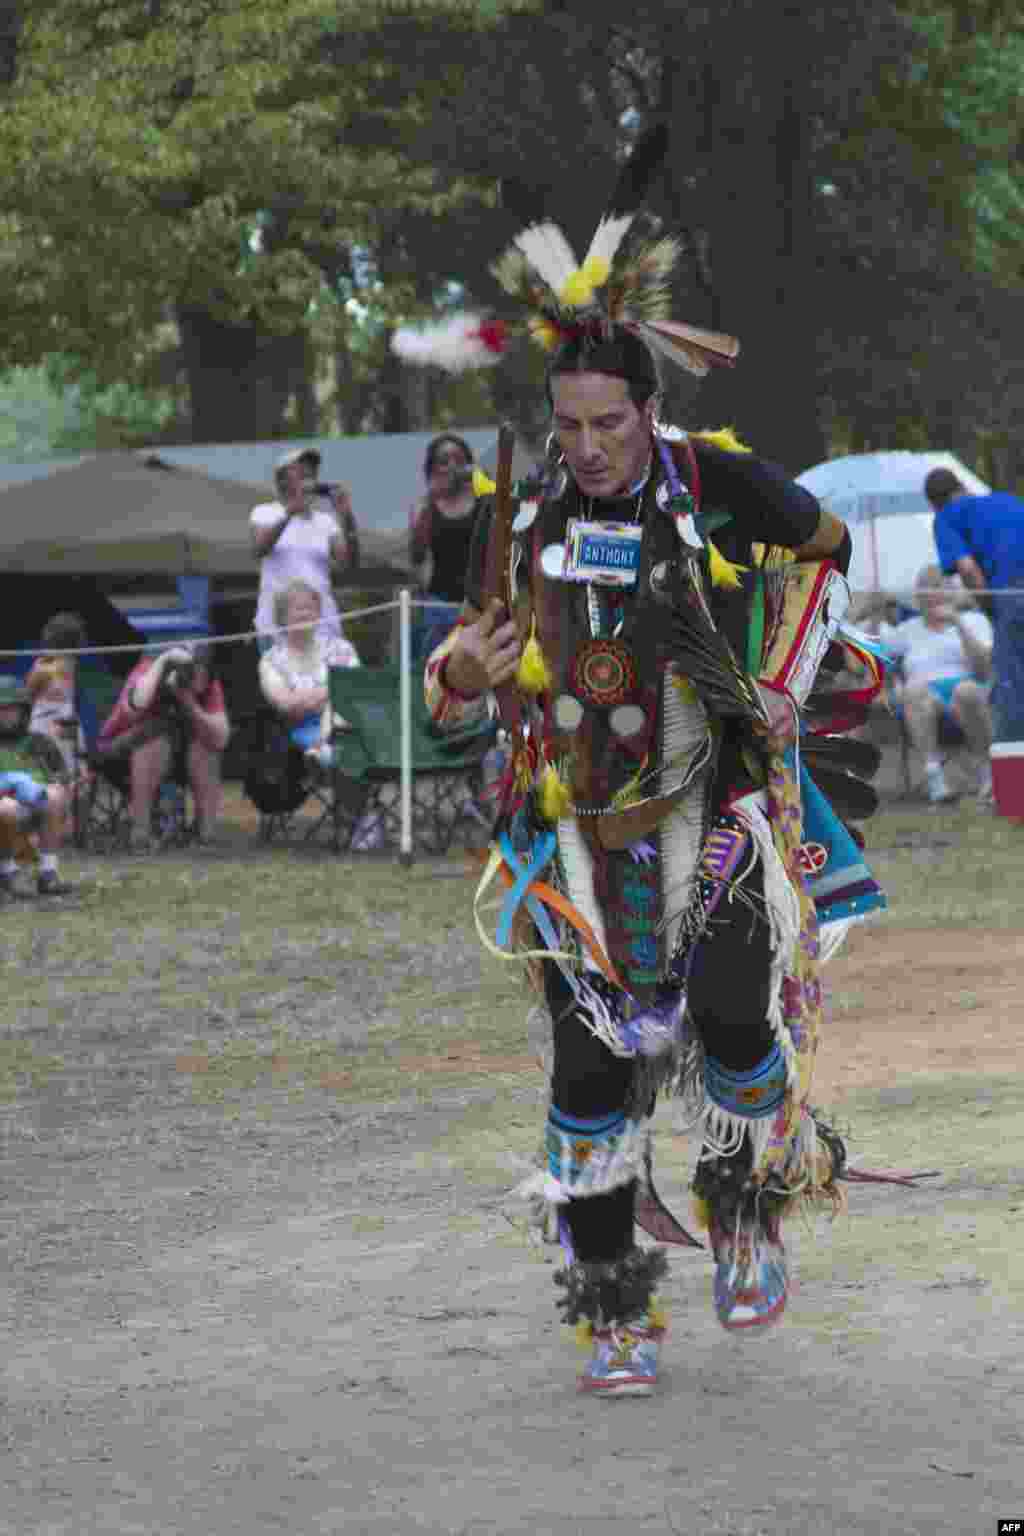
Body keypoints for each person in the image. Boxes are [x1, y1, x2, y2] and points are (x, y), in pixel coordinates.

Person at [400, 127, 884, 1398]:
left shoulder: (718, 484)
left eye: (608, 422)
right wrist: (468, 673)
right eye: (569, 424)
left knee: (733, 1016)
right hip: (571, 840)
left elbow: (832, 553)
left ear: (648, 408)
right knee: (588, 1069)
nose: (590, 446)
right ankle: (610, 1307)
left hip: (710, 816)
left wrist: (778, 677)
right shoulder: (524, 514)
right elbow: (457, 661)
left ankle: (743, 1217)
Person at [862, 565, 993, 803]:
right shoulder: (907, 630)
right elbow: (868, 653)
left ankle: (986, 773)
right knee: (913, 690)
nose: (932, 595)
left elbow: (983, 670)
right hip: (923, 699)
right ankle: (935, 778)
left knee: (967, 690)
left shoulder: (974, 621)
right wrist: (875, 614)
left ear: (951, 592)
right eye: (926, 589)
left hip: (965, 693)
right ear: (918, 598)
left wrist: (958, 623)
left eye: (938, 586)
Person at [97, 642, 230, 851]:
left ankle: (205, 835)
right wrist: (162, 661)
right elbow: (136, 706)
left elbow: (222, 737)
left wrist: (189, 703)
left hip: (176, 756)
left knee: (208, 744)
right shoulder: (148, 671)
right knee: (154, 736)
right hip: (120, 749)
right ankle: (141, 833)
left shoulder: (209, 683)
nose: (198, 682)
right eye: (194, 674)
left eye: (204, 676)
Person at [926, 467, 1024, 745]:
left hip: (1012, 596)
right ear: (962, 487)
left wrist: (991, 608)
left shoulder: (945, 518)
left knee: (1012, 692)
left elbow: (968, 570)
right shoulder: (1008, 500)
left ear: (934, 504)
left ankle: (1014, 781)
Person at [250, 447, 360, 652]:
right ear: (282, 479)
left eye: (312, 469)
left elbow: (350, 565)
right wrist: (291, 511)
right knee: (281, 685)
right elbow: (259, 549)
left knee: (324, 685)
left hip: (322, 628)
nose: (308, 472)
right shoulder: (264, 512)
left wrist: (347, 517)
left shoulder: (325, 521)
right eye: (300, 468)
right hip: (277, 628)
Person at [258, 578, 360, 765]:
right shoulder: (271, 659)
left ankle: (323, 745)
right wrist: (333, 690)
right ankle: (323, 746)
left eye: (310, 608)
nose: (305, 613)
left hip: (350, 724)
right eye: (298, 609)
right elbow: (286, 704)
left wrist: (312, 697)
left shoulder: (341, 648)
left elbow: (356, 687)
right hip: (303, 728)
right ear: (282, 616)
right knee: (342, 756)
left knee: (349, 735)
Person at [409, 434, 487, 660]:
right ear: (432, 469)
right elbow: (417, 556)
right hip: (440, 605)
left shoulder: (484, 501)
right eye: (444, 460)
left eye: (458, 459)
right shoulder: (426, 506)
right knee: (436, 670)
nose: (452, 465)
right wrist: (430, 502)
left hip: (479, 604)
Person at [0, 674, 74, 897]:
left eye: (11, 709)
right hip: (5, 805)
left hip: (35, 803)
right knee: (6, 808)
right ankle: (7, 873)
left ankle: (48, 873)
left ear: (24, 711)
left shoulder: (39, 743)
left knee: (54, 795)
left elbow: (61, 776)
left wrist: (59, 787)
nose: (6, 715)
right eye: (1, 709)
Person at [25, 611, 89, 776]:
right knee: (61, 770)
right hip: (55, 720)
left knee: (63, 771)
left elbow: (29, 693)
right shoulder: (58, 662)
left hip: (55, 721)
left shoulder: (54, 663)